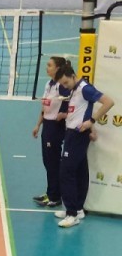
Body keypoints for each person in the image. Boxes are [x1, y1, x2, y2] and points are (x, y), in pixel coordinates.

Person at [55, 65, 115, 228]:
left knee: (66, 172)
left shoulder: (85, 88)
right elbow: (81, 111)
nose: (65, 86)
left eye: (66, 82)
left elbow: (108, 102)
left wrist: (92, 121)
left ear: (72, 75)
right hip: (72, 134)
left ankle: (71, 214)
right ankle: (78, 209)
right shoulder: (74, 89)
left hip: (77, 135)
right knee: (80, 171)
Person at [31, 56, 71, 209]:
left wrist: (63, 114)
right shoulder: (49, 84)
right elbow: (45, 107)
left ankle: (55, 197)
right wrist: (38, 124)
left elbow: (71, 101)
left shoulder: (61, 86)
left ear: (58, 68)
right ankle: (50, 192)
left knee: (53, 162)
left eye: (49, 65)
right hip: (47, 125)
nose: (46, 68)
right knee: (48, 161)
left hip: (56, 127)